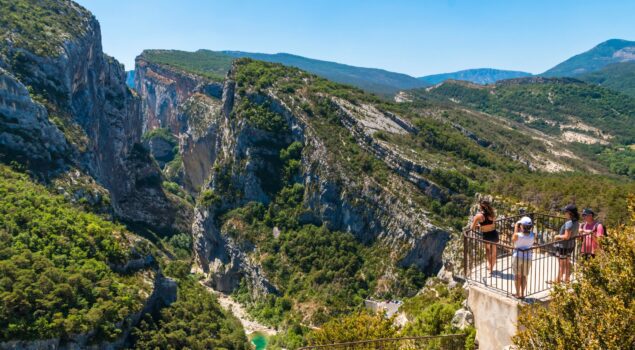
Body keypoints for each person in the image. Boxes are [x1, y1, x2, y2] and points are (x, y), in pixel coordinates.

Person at [550, 204, 579, 284]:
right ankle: (567, 279)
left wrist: (557, 236)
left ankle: (557, 280)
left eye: (565, 212)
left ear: (570, 213)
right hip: (571, 245)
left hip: (563, 246)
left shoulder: (569, 223)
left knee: (561, 264)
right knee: (567, 262)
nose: (564, 213)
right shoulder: (576, 222)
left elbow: (566, 236)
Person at [471, 199, 498, 274]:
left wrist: (479, 226)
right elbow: (493, 223)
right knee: (494, 252)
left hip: (486, 235)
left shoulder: (479, 216)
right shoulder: (492, 214)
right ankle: (491, 268)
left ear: (481, 207)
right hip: (494, 233)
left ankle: (490, 266)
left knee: (488, 250)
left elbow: (472, 227)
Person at [512, 216, 535, 298]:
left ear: (521, 226)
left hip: (518, 256)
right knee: (524, 276)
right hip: (528, 256)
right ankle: (522, 294)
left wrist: (515, 227)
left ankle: (517, 293)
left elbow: (513, 239)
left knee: (517, 276)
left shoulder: (517, 235)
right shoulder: (533, 235)